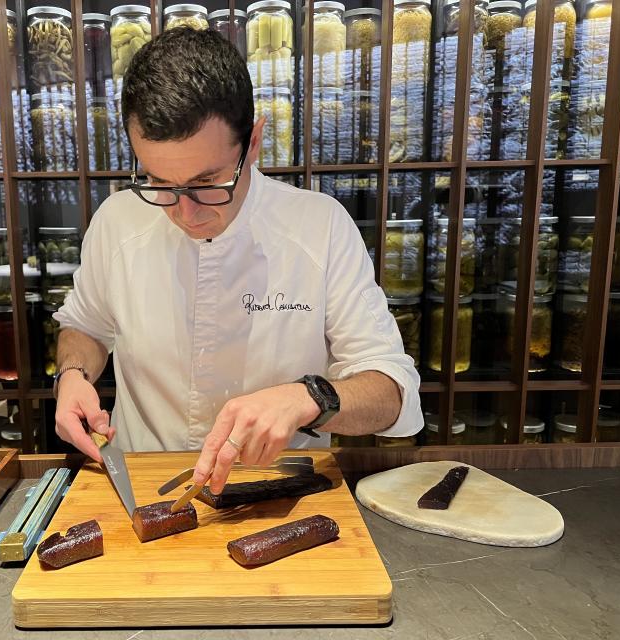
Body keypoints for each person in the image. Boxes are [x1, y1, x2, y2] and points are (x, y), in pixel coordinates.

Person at [52, 28, 423, 495]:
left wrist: (310, 397)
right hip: (144, 486)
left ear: (254, 142)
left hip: (278, 491)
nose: (185, 212)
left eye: (208, 181)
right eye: (160, 181)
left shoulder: (320, 226)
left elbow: (393, 392)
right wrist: (72, 375)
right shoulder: (117, 221)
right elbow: (85, 327)